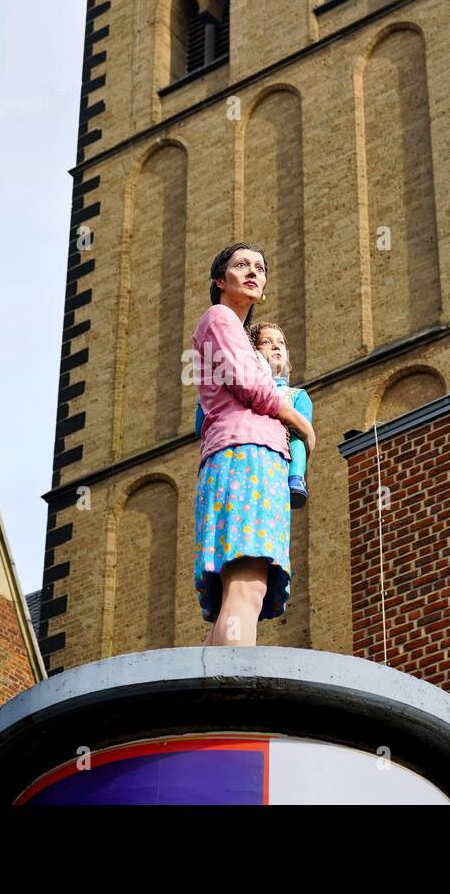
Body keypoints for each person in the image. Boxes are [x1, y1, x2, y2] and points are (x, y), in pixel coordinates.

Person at [191, 243, 316, 647]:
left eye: (259, 267)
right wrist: (298, 421)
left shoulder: (238, 334)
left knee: (245, 592)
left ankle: (205, 700)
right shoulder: (219, 317)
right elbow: (248, 383)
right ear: (219, 280)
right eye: (240, 265)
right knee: (247, 587)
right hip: (245, 455)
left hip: (255, 458)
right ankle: (231, 696)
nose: (252, 272)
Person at [196, 321, 313, 508]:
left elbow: (305, 431)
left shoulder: (296, 395)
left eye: (281, 343)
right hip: (247, 452)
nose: (276, 346)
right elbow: (200, 426)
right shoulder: (242, 389)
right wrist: (205, 396)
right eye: (266, 342)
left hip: (280, 453)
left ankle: (296, 478)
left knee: (297, 437)